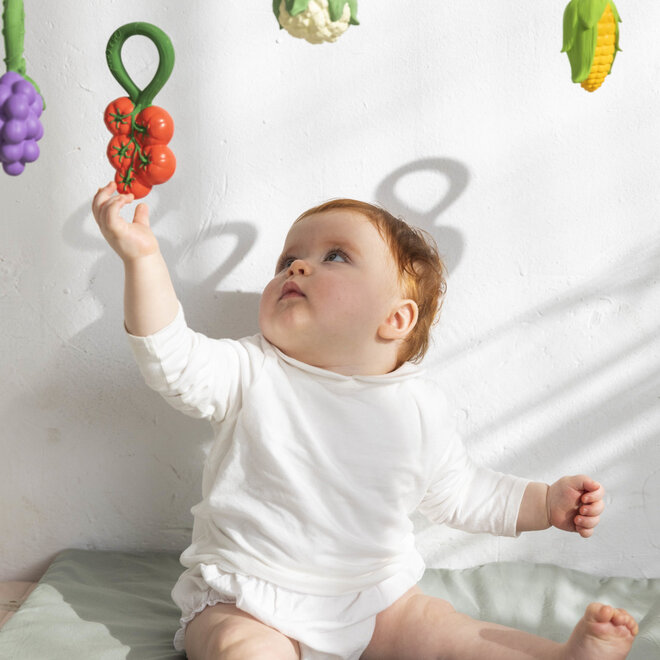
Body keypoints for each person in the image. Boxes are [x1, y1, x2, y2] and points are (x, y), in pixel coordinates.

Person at [92, 181, 639, 660]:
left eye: (335, 257)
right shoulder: (250, 369)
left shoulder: (419, 410)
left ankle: (557, 656)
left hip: (374, 600)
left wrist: (545, 503)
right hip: (247, 596)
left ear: (396, 319)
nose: (297, 266)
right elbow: (173, 358)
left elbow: (462, 492)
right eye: (286, 261)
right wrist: (144, 261)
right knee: (243, 649)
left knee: (451, 634)